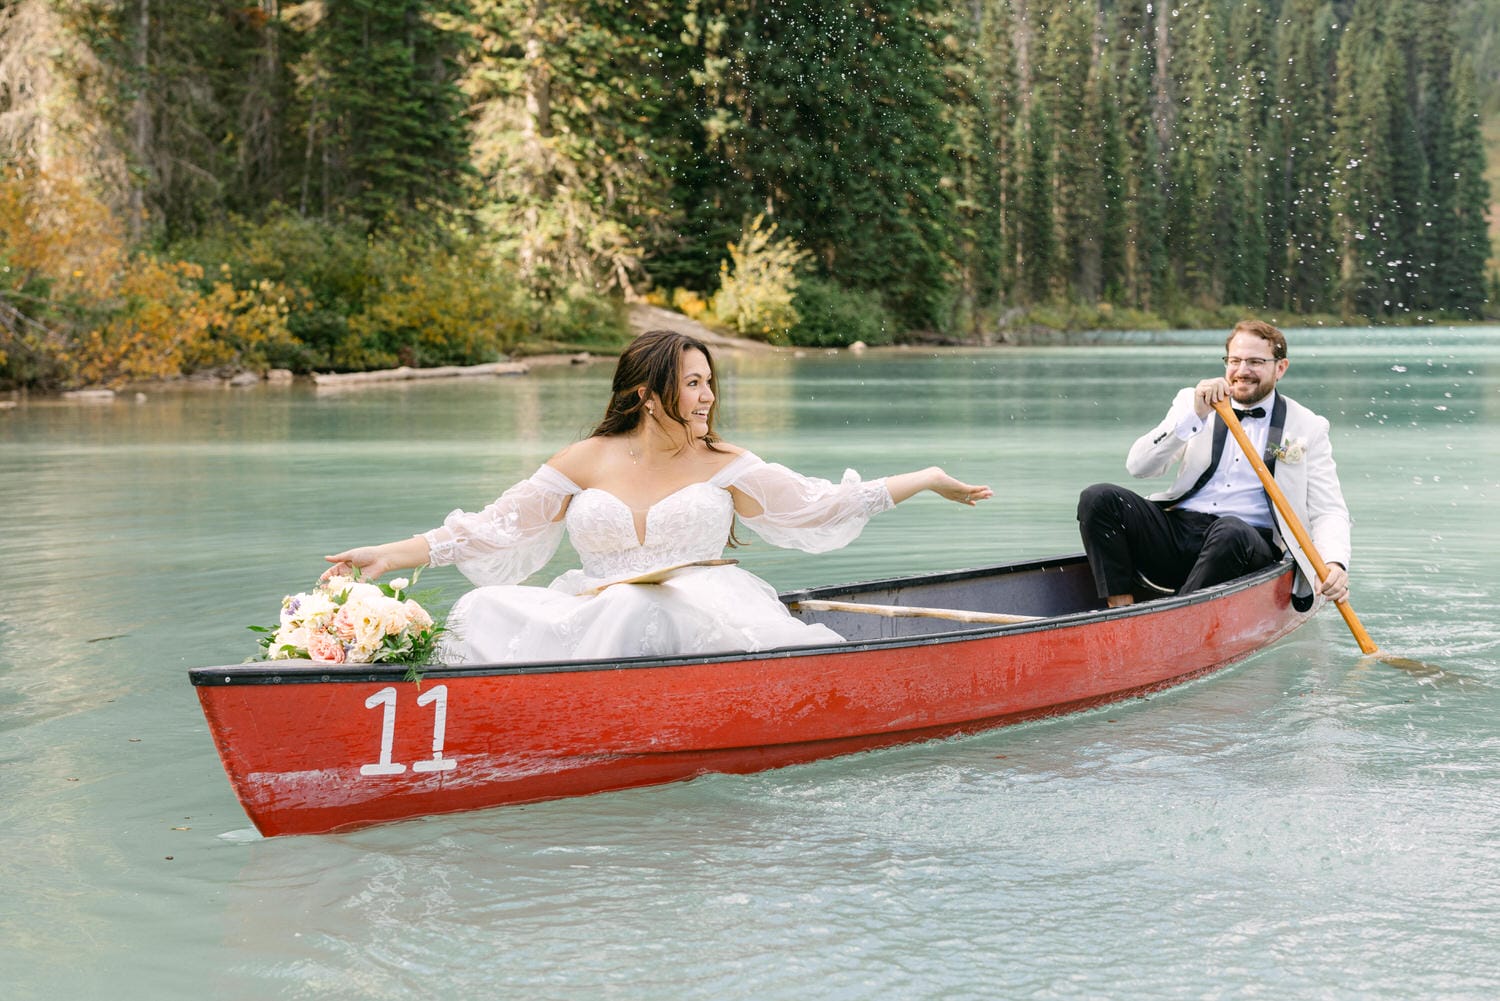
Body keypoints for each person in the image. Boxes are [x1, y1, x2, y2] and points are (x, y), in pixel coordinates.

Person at [325, 328, 993, 664]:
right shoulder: (585, 459)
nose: (706, 396)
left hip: (700, 607)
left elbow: (823, 505)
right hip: (593, 607)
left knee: (634, 607)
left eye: (709, 383)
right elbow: (491, 529)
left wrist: (927, 478)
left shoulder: (727, 463)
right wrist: (390, 552)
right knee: (479, 607)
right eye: (692, 383)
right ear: (646, 394)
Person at [1076, 319, 1350, 611]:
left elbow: (1328, 509)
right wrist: (1194, 416)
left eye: (1255, 362)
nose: (1242, 371)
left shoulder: (1307, 425)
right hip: (1179, 529)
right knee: (1099, 497)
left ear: (1280, 368)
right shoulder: (1192, 402)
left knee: (1230, 530)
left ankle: (1174, 619)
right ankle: (1121, 611)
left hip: (1247, 543)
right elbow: (1139, 467)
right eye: (1235, 361)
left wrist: (1334, 562)